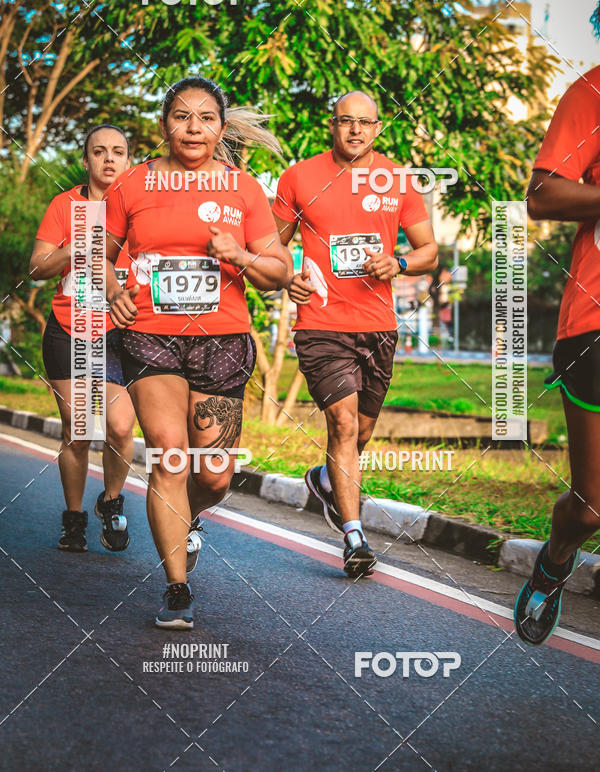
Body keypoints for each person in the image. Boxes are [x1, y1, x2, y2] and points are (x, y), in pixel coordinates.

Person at [105, 76, 288, 629]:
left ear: (222, 129)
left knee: (212, 476)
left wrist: (241, 256)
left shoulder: (244, 189)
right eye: (182, 116)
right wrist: (114, 291)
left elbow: (277, 273)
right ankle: (176, 587)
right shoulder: (132, 184)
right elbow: (98, 254)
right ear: (165, 124)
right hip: (151, 335)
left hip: (224, 341)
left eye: (206, 118)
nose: (193, 127)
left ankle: (188, 518)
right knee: (169, 453)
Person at [272, 91, 438, 578]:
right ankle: (354, 536)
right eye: (346, 121)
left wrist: (400, 261)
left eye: (365, 123)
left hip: (379, 325)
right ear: (333, 124)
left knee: (361, 431)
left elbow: (428, 250)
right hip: (321, 324)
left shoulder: (397, 179)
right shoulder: (299, 177)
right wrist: (289, 276)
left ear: (378, 128)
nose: (355, 131)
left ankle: (326, 479)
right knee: (342, 426)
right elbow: (269, 247)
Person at [515, 60, 600, 645]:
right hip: (595, 321)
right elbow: (542, 195)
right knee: (592, 508)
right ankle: (556, 558)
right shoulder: (593, 90)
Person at [30, 125, 136, 553]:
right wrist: (76, 247)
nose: (109, 159)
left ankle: (110, 501)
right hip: (68, 329)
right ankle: (74, 519)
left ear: (129, 159)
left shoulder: (140, 209)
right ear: (87, 159)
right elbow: (37, 268)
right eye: (99, 151)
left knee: (121, 427)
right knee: (79, 430)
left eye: (118, 151)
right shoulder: (65, 204)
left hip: (119, 334)